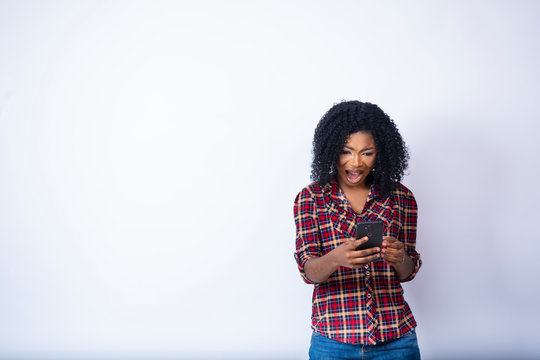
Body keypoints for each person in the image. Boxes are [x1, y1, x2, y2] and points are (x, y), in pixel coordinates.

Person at [294, 101, 422, 359]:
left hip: (395, 338)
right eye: (346, 151)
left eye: (367, 152)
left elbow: (408, 273)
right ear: (331, 150)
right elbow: (309, 272)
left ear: (381, 153)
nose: (356, 162)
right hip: (333, 340)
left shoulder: (402, 198)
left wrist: (400, 258)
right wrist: (336, 258)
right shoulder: (311, 198)